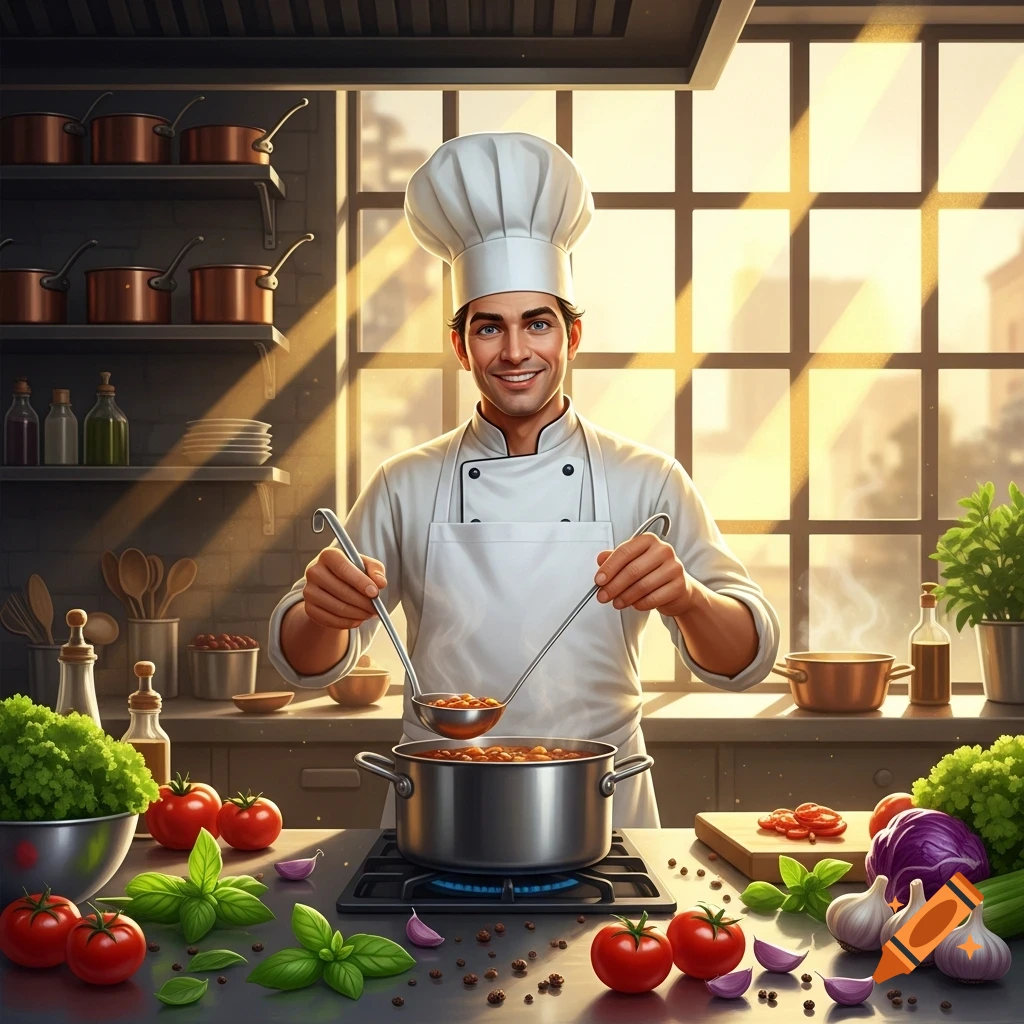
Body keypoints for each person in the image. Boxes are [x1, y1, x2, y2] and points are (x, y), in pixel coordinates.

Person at [269, 131, 781, 828]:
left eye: (537, 324)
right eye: (489, 329)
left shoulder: (646, 479)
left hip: (602, 809)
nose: (514, 352)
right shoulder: (404, 483)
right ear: (459, 344)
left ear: (572, 336)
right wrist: (324, 612)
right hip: (442, 805)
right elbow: (308, 661)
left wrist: (688, 598)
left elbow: (747, 657)